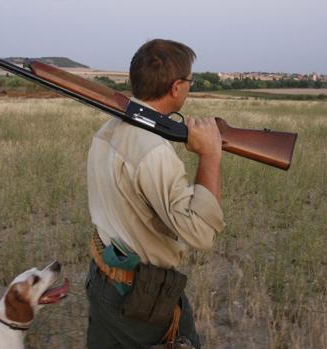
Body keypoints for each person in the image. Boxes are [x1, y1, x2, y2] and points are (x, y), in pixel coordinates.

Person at [85, 39, 224, 349]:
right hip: (142, 298)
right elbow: (201, 234)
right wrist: (211, 156)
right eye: (190, 81)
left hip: (104, 276)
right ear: (176, 87)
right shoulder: (154, 150)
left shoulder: (107, 129)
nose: (189, 87)